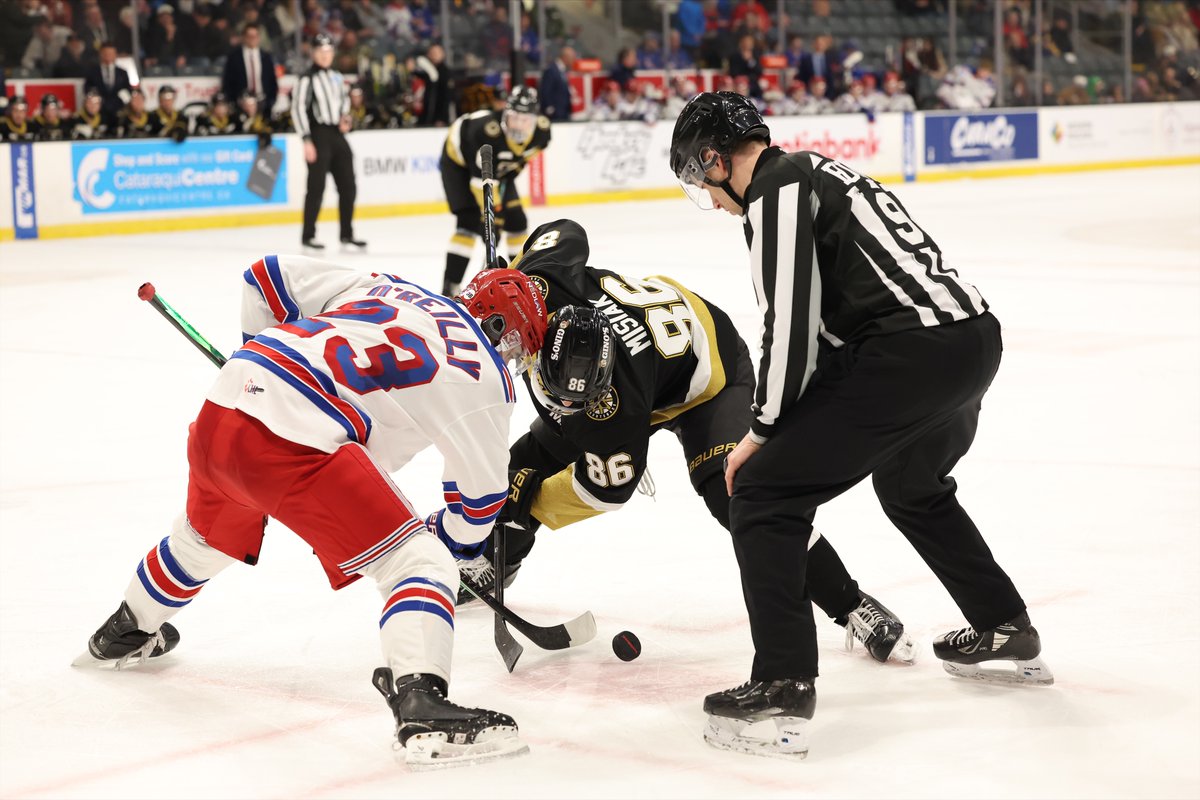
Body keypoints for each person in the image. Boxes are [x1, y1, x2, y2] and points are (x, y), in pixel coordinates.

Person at [668, 92, 1052, 759]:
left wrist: (760, 434)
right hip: (971, 341)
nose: (714, 200)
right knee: (912, 484)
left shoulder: (775, 190)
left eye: (704, 182)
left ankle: (782, 685)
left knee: (759, 495)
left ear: (715, 158)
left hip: (907, 355)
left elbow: (790, 326)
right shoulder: (820, 172)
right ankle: (1003, 624)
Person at [77, 262, 549, 769]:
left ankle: (124, 630)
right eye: (522, 345)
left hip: (230, 400)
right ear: (502, 330)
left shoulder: (392, 285)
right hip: (297, 441)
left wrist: (260, 364)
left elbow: (264, 276)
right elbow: (481, 501)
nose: (517, 359)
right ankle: (422, 704)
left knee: (202, 541)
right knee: (420, 564)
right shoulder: (486, 371)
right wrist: (450, 541)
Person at [455, 217, 918, 669]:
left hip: (709, 380)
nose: (508, 354)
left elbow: (605, 490)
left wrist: (530, 506)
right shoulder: (543, 279)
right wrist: (517, 271)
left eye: (510, 343)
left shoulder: (610, 404)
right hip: (641, 364)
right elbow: (568, 232)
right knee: (516, 465)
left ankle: (852, 603)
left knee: (737, 498)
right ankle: (501, 563)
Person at [438, 85, 551, 297]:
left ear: (535, 120)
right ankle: (449, 286)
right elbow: (478, 183)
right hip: (460, 165)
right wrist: (493, 214)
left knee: (517, 221)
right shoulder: (484, 132)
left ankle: (520, 279)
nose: (518, 125)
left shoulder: (542, 133)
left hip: (498, 170)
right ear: (505, 114)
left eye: (525, 120)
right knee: (469, 223)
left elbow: (525, 155)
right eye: (514, 118)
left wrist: (513, 169)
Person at [292, 33, 364, 252]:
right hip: (318, 134)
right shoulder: (307, 78)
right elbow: (298, 109)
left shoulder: (336, 76)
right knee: (316, 187)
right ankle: (308, 235)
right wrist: (306, 139)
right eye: (321, 52)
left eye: (328, 51)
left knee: (348, 185)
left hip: (336, 134)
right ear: (313, 53)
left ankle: (346, 234)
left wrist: (346, 118)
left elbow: (343, 102)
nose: (325, 56)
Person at [221, 22, 278, 118]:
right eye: (249, 36)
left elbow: (272, 82)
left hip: (263, 106)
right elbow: (228, 82)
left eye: (255, 36)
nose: (252, 39)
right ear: (243, 37)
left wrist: (269, 102)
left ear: (259, 37)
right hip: (240, 106)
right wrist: (236, 102)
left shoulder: (266, 57)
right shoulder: (234, 57)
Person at [83, 41, 132, 117]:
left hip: (119, 111)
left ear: (115, 55)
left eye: (111, 53)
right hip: (98, 112)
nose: (108, 56)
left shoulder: (122, 73)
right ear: (100, 54)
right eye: (106, 53)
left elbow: (127, 90)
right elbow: (88, 90)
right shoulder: (92, 72)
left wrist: (117, 102)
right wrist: (99, 101)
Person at [539, 44, 575, 122]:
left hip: (563, 113)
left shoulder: (562, 70)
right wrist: (550, 109)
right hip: (555, 115)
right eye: (572, 58)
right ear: (565, 57)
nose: (573, 60)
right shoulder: (551, 70)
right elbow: (545, 91)